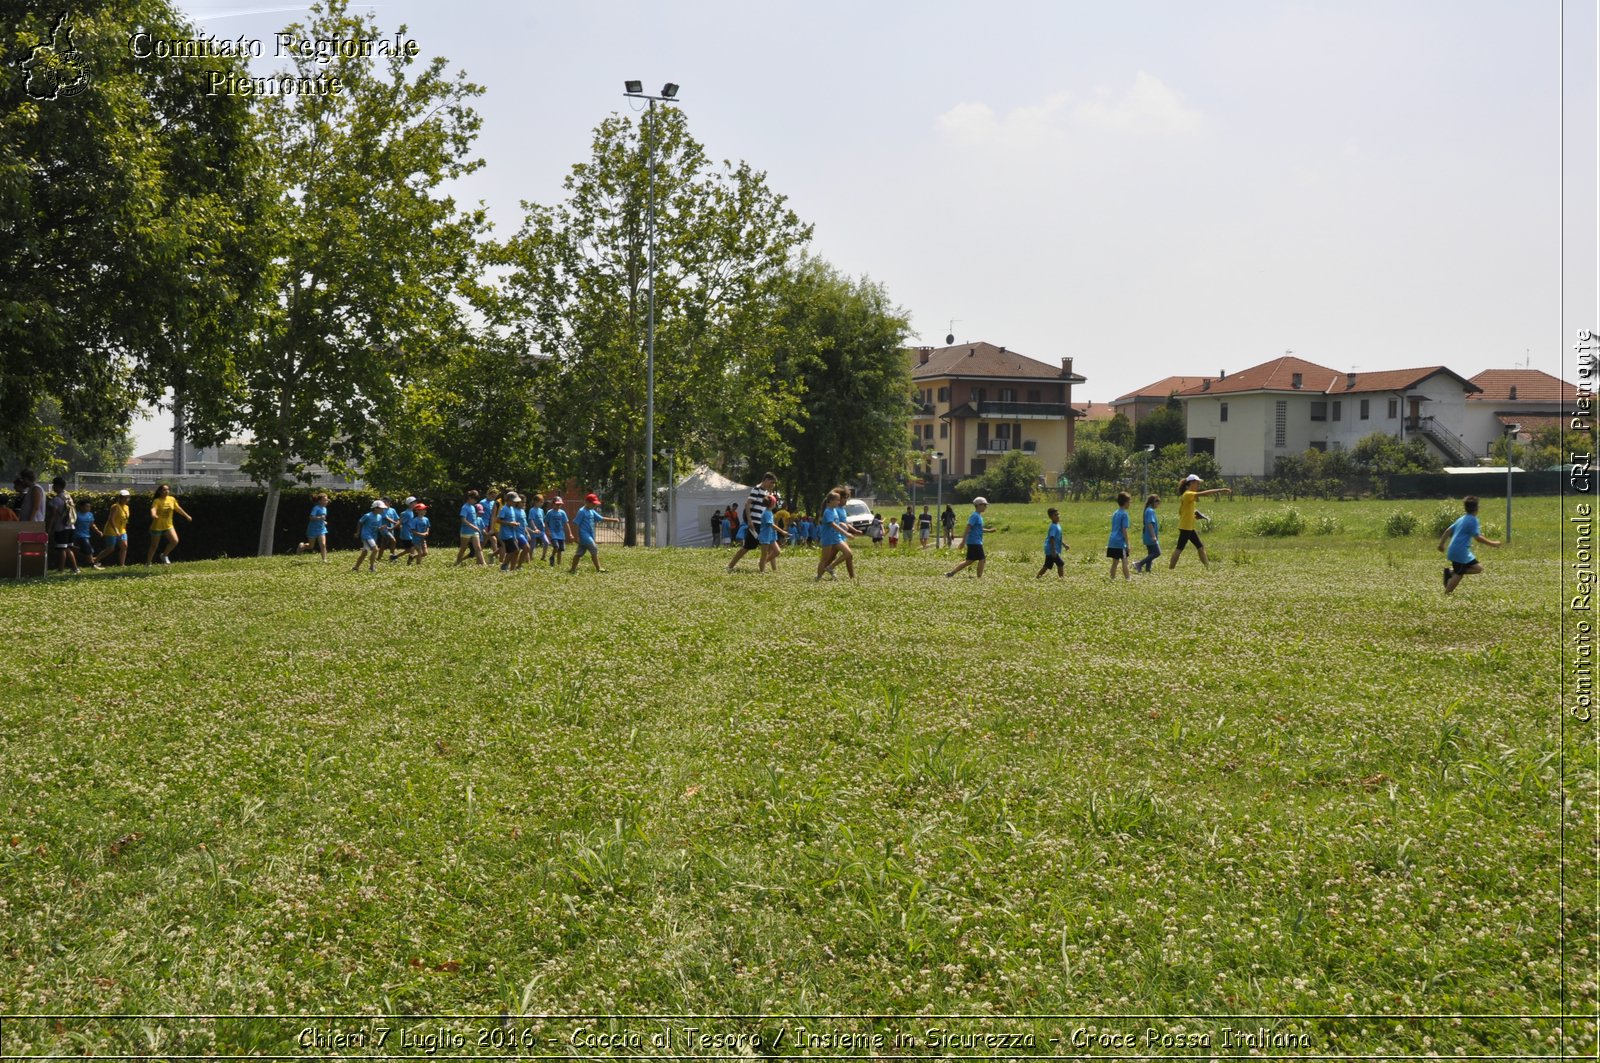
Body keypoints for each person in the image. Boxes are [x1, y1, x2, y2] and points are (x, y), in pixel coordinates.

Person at [1168, 474, 1231, 570]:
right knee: (1179, 548)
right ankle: (1171, 569)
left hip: (1189, 527)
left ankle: (1208, 567)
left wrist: (1196, 515)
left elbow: (1183, 511)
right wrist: (1219, 490)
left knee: (1200, 547)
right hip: (1186, 527)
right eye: (1197, 483)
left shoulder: (1188, 495)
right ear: (1192, 483)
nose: (1198, 485)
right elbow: (1204, 493)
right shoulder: (1188, 494)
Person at [1440, 495, 1500, 594]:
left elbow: (1447, 531)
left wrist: (1441, 545)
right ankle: (1447, 594)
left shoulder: (1461, 519)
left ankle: (1450, 572)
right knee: (1459, 574)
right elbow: (1477, 538)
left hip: (1459, 550)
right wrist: (1493, 543)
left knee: (1478, 568)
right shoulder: (1473, 520)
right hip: (1460, 551)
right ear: (1477, 508)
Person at [728, 473, 777, 572]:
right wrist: (749, 521)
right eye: (771, 482)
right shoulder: (757, 489)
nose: (771, 484)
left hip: (763, 523)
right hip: (755, 522)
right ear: (766, 480)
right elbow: (747, 504)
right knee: (747, 546)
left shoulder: (765, 491)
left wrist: (771, 490)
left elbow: (769, 502)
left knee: (770, 546)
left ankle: (774, 569)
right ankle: (730, 566)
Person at [815, 488, 858, 581]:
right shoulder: (828, 511)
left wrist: (842, 524)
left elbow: (836, 522)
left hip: (836, 537)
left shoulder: (834, 510)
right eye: (837, 500)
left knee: (848, 553)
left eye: (839, 500)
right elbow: (832, 524)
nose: (839, 502)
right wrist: (846, 533)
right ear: (830, 501)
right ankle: (818, 578)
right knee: (825, 559)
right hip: (828, 538)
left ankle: (830, 567)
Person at [569, 492, 617, 574]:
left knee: (579, 553)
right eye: (593, 504)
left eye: (595, 504)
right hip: (584, 535)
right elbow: (576, 523)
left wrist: (613, 520)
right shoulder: (582, 511)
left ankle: (572, 569)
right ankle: (599, 568)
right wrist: (577, 537)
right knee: (594, 548)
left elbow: (601, 518)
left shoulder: (591, 511)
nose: (594, 505)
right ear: (587, 502)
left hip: (590, 535)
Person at [145, 483, 191, 565]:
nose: (167, 491)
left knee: (175, 541)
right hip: (157, 527)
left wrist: (186, 516)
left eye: (168, 489)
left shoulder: (172, 499)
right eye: (164, 490)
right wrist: (153, 514)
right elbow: (153, 508)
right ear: (160, 491)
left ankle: (164, 555)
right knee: (154, 546)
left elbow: (178, 508)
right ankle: (148, 562)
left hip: (168, 526)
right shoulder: (157, 501)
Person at [944, 497, 989, 578]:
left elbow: (979, 529)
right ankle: (979, 578)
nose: (986, 506)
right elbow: (968, 528)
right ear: (978, 505)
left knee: (969, 561)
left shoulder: (979, 516)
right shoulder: (975, 516)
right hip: (975, 542)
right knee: (982, 559)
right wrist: (963, 542)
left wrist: (989, 531)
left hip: (975, 541)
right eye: (984, 505)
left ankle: (951, 573)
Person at [45, 476, 80, 574]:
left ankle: (61, 569)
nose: (53, 487)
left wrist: (49, 528)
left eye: (54, 485)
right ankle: (75, 568)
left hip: (61, 527)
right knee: (68, 548)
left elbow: (52, 515)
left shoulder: (56, 499)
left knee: (61, 549)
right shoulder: (68, 496)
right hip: (70, 526)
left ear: (57, 486)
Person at [93, 489, 132, 567]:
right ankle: (95, 560)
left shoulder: (126, 507)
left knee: (124, 546)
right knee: (110, 549)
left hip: (122, 530)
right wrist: (116, 530)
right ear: (120, 498)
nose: (125, 499)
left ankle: (122, 564)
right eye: (123, 497)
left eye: (127, 497)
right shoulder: (115, 506)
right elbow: (111, 519)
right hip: (111, 530)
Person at [296, 492, 331, 560]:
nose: (326, 501)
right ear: (319, 501)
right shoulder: (316, 508)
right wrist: (320, 518)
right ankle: (302, 546)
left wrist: (323, 521)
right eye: (324, 500)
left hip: (321, 529)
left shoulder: (325, 509)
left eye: (326, 500)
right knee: (311, 546)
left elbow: (321, 518)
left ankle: (324, 560)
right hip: (312, 529)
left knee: (323, 545)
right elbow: (311, 518)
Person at [353, 500, 386, 572]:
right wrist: (358, 532)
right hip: (366, 535)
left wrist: (381, 528)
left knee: (364, 553)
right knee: (375, 549)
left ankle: (356, 567)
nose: (383, 510)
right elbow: (360, 522)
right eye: (381, 508)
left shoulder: (380, 517)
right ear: (376, 508)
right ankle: (372, 567)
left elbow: (378, 527)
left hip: (373, 536)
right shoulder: (367, 516)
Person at [1107, 491, 1132, 581]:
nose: (1130, 504)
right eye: (1129, 502)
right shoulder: (1124, 514)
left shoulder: (1115, 513)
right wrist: (1127, 544)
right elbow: (1124, 530)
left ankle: (1112, 578)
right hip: (1120, 542)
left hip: (1112, 541)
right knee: (1124, 561)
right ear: (1125, 503)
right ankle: (1128, 579)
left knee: (1115, 562)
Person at [1133, 494, 1162, 574]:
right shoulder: (1150, 511)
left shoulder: (1149, 510)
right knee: (1157, 552)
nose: (1158, 503)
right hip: (1150, 536)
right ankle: (1139, 564)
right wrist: (1153, 536)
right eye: (1156, 501)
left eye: (1159, 501)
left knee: (1151, 553)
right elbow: (1149, 524)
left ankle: (1148, 570)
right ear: (1151, 502)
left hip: (1147, 536)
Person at [456, 490, 486, 566]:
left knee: (478, 548)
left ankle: (483, 564)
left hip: (474, 531)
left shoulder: (473, 507)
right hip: (466, 531)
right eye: (474, 499)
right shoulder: (465, 507)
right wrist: (473, 526)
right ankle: (457, 562)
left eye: (476, 499)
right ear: (469, 497)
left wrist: (477, 527)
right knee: (463, 548)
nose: (476, 501)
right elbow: (463, 520)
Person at [497, 492, 525, 572]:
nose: (515, 502)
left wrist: (515, 524)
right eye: (513, 501)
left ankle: (511, 569)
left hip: (512, 533)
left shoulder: (512, 508)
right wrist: (510, 523)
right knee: (515, 550)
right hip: (506, 534)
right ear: (508, 500)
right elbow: (498, 520)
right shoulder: (504, 509)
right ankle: (504, 565)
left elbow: (511, 520)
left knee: (515, 551)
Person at [1036, 507, 1067, 579]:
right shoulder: (1053, 526)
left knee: (1047, 565)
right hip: (1051, 550)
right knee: (1060, 563)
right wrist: (1053, 550)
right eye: (1055, 515)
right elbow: (1052, 538)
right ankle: (1062, 579)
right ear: (1050, 517)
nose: (1058, 516)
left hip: (1052, 549)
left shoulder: (1057, 525)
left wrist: (1064, 545)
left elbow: (1058, 538)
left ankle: (1037, 577)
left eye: (1058, 514)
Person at [757, 493, 785, 572]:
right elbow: (771, 524)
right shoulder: (766, 513)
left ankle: (769, 566)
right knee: (764, 554)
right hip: (765, 536)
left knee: (776, 552)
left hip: (771, 535)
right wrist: (782, 531)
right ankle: (762, 570)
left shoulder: (770, 512)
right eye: (775, 502)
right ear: (772, 504)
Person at [545, 496, 568, 566]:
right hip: (553, 533)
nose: (558, 506)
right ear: (553, 504)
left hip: (561, 534)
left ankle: (558, 564)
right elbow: (545, 522)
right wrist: (548, 531)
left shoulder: (562, 512)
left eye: (560, 504)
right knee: (556, 546)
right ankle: (552, 556)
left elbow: (566, 522)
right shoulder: (550, 512)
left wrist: (570, 533)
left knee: (560, 550)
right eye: (557, 504)